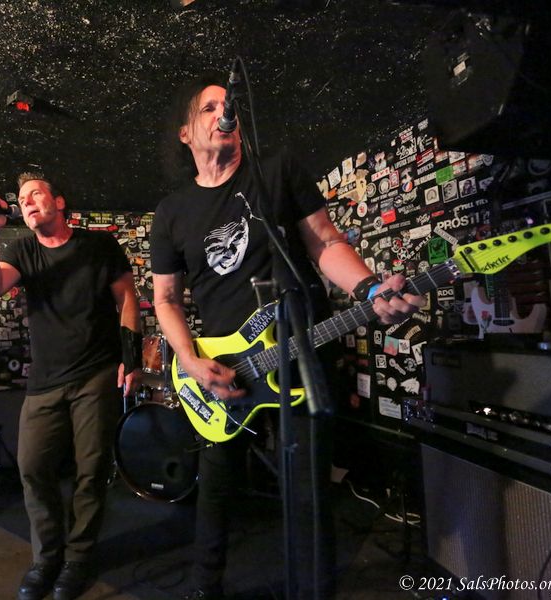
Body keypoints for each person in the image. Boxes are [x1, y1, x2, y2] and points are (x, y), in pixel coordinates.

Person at [150, 74, 424, 599]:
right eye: (209, 108)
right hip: (226, 368)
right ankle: (205, 585)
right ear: (185, 133)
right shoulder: (172, 212)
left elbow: (324, 241)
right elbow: (166, 300)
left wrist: (368, 288)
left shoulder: (276, 172)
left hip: (300, 348)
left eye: (229, 105)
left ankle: (311, 588)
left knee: (307, 488)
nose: (223, 113)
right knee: (217, 484)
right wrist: (189, 360)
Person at [0, 171, 142, 600]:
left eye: (36, 194)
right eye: (22, 200)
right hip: (45, 379)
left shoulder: (99, 245)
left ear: (60, 202)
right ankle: (47, 557)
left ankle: (78, 558)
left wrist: (132, 359)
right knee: (33, 467)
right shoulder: (22, 248)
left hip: (97, 371)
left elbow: (127, 298)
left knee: (91, 470)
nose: (28, 203)